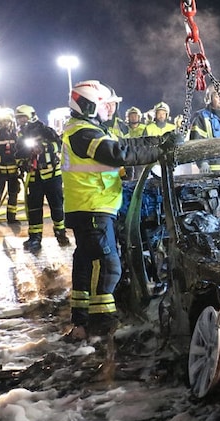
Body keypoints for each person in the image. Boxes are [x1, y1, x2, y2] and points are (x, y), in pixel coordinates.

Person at [61, 79, 177, 340]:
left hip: (91, 206)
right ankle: (100, 325)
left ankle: (81, 323)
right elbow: (119, 153)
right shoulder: (84, 132)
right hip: (92, 207)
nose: (110, 111)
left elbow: (126, 145)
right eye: (106, 105)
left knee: (87, 263)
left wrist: (159, 140)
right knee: (106, 265)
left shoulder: (87, 129)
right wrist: (161, 149)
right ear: (90, 105)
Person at [15, 104, 69, 251]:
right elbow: (18, 153)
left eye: (23, 117)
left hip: (52, 175)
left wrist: (43, 147)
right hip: (34, 177)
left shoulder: (45, 130)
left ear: (31, 116)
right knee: (34, 208)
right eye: (19, 118)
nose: (21, 121)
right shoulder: (21, 135)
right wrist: (21, 165)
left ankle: (61, 234)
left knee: (57, 206)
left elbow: (59, 145)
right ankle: (35, 238)